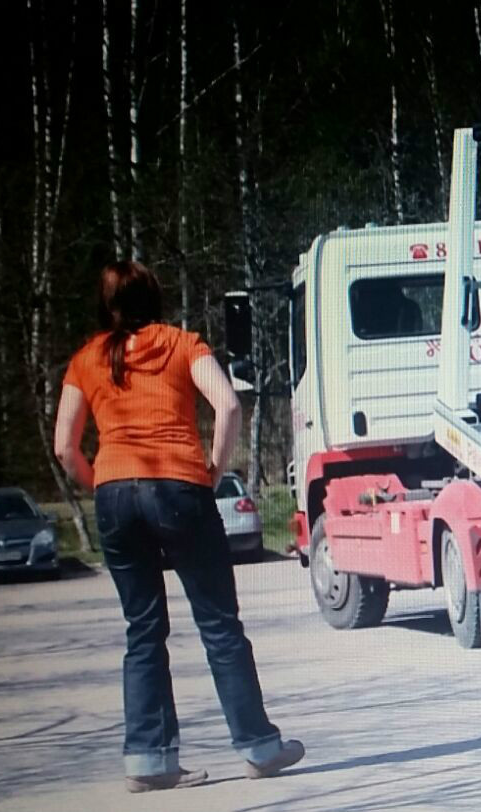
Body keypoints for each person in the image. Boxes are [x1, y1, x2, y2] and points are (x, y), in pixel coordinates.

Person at [53, 261, 305, 792]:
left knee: (142, 630)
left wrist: (101, 482)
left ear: (106, 305)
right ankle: (259, 747)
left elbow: (63, 447)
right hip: (179, 488)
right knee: (219, 624)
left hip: (115, 494)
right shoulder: (183, 344)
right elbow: (229, 406)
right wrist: (212, 470)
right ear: (155, 298)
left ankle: (149, 761)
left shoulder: (86, 358)